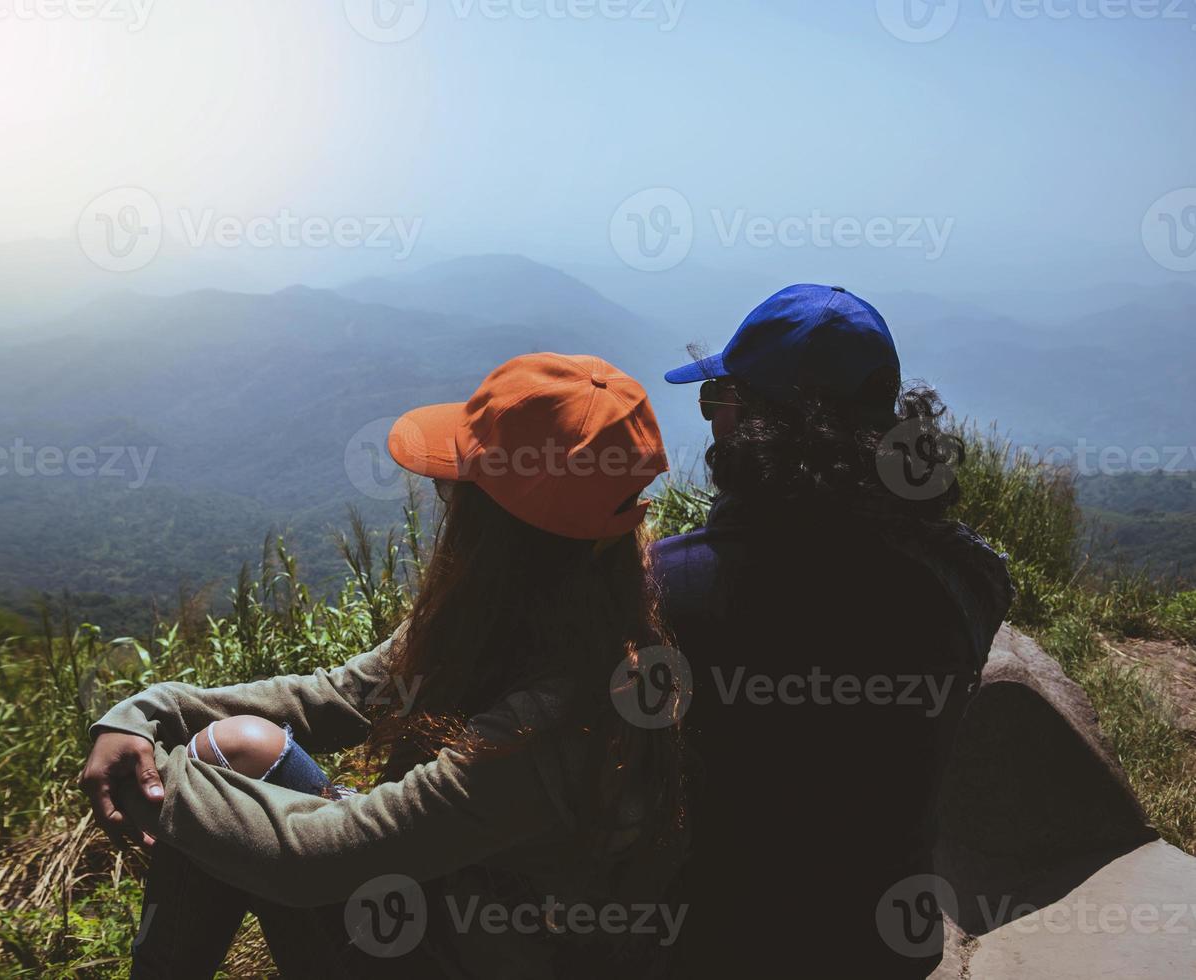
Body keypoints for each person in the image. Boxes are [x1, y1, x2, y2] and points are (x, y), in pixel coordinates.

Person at [80, 352, 686, 978]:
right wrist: (147, 714)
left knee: (219, 762)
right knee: (235, 747)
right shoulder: (528, 617)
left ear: (494, 528)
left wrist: (164, 784)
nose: (441, 496)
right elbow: (337, 697)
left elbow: (323, 859)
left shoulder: (564, 721)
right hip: (445, 910)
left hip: (466, 951)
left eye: (453, 486)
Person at [651, 284, 1014, 978]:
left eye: (716, 402)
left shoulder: (667, 589)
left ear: (743, 422)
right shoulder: (965, 579)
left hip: (717, 949)